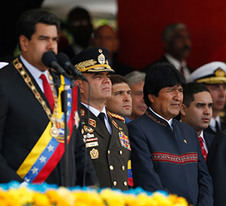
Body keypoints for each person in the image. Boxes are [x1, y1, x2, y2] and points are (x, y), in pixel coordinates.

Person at [0, 9, 97, 186]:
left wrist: (91, 184)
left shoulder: (65, 84)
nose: (51, 46)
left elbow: (77, 145)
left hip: (66, 201)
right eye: (43, 39)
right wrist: (18, 189)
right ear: (24, 42)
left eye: (54, 40)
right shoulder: (4, 81)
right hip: (18, 200)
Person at [128, 63, 213, 206]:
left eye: (180, 90)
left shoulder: (187, 131)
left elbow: (204, 177)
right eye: (170, 90)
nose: (177, 97)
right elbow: (148, 180)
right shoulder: (137, 130)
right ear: (152, 96)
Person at [72, 47, 133, 190]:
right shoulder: (72, 121)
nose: (106, 81)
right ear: (79, 85)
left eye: (107, 76)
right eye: (97, 77)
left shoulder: (119, 124)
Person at [188, 61, 226, 135]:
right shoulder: (195, 129)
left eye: (224, 88)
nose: (222, 94)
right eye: (215, 88)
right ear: (200, 90)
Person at [180, 83, 214, 160]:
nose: (207, 112)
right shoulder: (172, 138)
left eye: (210, 106)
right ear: (183, 109)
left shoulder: (216, 141)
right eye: (201, 105)